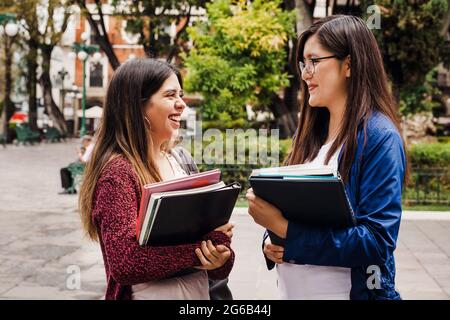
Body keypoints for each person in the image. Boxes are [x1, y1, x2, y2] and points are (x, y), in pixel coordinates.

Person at [246, 15, 408, 300]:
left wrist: (285, 229)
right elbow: (300, 216)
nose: (305, 73)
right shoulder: (308, 137)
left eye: (314, 61)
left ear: (349, 64)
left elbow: (376, 241)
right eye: (302, 64)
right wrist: (271, 241)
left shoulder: (379, 138)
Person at [78, 58, 234, 300]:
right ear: (137, 106)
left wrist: (219, 255)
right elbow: (126, 263)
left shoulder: (179, 161)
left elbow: (219, 264)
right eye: (170, 95)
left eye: (181, 95)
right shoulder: (118, 174)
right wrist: (201, 249)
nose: (182, 104)